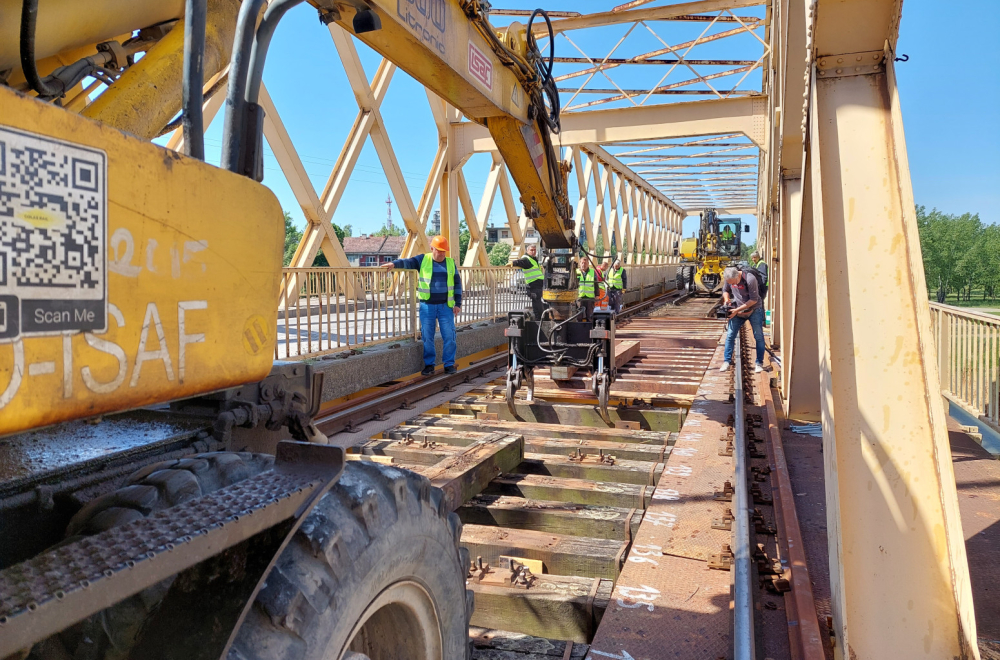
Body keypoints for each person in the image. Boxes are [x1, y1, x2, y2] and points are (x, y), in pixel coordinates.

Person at [382, 235, 462, 375]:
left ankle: (449, 364)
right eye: (439, 250)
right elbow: (408, 262)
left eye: (444, 251)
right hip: (427, 306)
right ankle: (429, 365)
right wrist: (394, 264)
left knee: (449, 335)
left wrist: (458, 303)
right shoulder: (423, 259)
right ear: (432, 249)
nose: (442, 253)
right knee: (427, 336)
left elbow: (457, 284)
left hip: (446, 306)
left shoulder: (450, 263)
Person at [720, 265, 766, 373]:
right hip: (739, 310)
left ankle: (759, 362)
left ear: (738, 275)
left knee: (758, 336)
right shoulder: (729, 278)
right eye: (730, 283)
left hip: (754, 310)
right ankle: (726, 361)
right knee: (730, 335)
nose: (732, 285)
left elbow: (754, 300)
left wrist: (737, 310)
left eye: (734, 283)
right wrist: (727, 299)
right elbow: (725, 290)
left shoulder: (750, 279)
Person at [511, 244, 545, 320]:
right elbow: (521, 262)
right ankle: (539, 319)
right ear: (527, 251)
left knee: (538, 302)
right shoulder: (526, 258)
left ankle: (539, 318)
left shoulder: (533, 259)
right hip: (533, 284)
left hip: (538, 284)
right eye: (531, 250)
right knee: (537, 303)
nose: (533, 252)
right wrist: (513, 263)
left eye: (534, 250)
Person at [576, 255, 600, 322]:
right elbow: (573, 285)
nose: (584, 265)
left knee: (590, 315)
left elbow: (596, 284)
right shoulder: (576, 272)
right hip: (580, 297)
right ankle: (579, 329)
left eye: (585, 263)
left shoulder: (592, 272)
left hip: (590, 297)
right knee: (579, 315)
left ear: (588, 264)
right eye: (582, 263)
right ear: (580, 263)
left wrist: (597, 295)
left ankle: (589, 328)